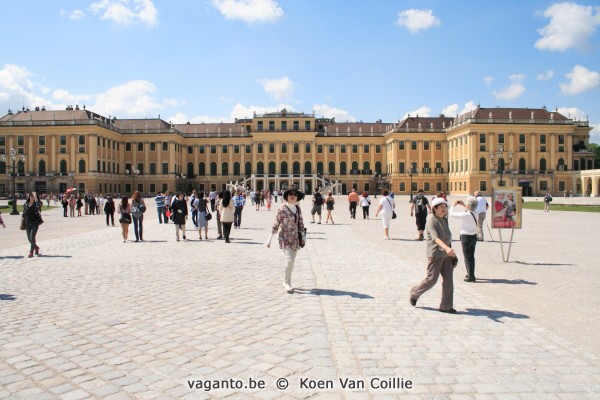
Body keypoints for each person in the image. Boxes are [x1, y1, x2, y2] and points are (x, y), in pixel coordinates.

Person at [409, 197, 457, 313]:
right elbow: (435, 238)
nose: (444, 209)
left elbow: (447, 237)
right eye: (441, 207)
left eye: (445, 207)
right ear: (434, 208)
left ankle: (446, 306)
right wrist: (446, 248)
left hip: (446, 255)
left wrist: (452, 254)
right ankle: (415, 293)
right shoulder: (431, 220)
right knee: (431, 279)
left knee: (449, 281)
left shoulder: (444, 220)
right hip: (435, 254)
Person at [266, 187, 306, 294]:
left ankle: (286, 280)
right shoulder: (282, 209)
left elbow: (301, 224)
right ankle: (287, 282)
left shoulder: (298, 209)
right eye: (290, 194)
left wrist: (303, 237)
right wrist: (269, 239)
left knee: (292, 262)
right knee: (289, 260)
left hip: (295, 239)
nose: (293, 196)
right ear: (286, 197)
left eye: (295, 194)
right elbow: (276, 224)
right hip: (285, 238)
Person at [450, 197, 479, 282]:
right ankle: (470, 273)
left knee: (467, 257)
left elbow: (452, 214)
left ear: (468, 205)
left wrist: (453, 205)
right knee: (471, 256)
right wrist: (463, 205)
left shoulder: (465, 215)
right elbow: (469, 210)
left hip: (466, 237)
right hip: (474, 236)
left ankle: (471, 276)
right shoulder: (476, 213)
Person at [23, 192, 43, 258]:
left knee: (32, 237)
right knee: (29, 238)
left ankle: (31, 251)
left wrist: (36, 197)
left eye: (33, 196)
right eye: (31, 196)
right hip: (27, 223)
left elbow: (38, 204)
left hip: (35, 223)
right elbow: (24, 214)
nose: (32, 197)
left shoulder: (36, 204)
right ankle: (36, 247)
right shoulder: (26, 204)